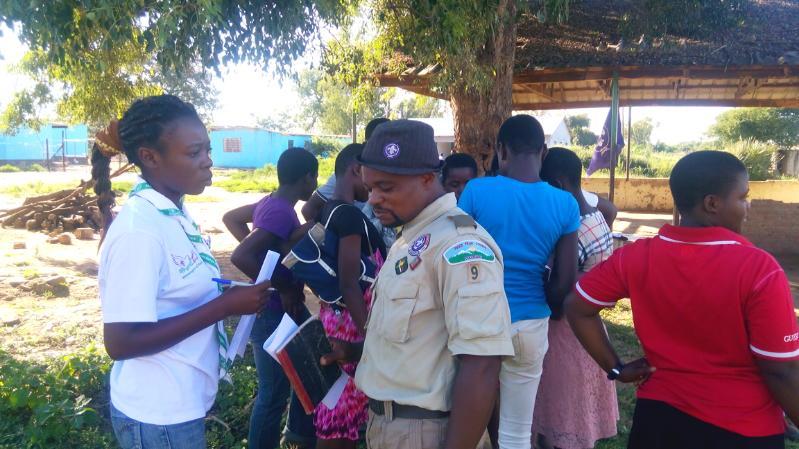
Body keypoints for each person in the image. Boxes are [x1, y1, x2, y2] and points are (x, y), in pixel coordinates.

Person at [566, 150, 799, 449]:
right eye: (743, 197)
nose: (748, 206)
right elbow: (782, 369)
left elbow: (577, 306)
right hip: (742, 429)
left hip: (657, 424)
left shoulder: (636, 257)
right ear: (712, 203)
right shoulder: (760, 269)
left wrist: (616, 368)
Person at [322, 119, 514, 449]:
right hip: (387, 425)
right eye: (370, 188)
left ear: (427, 178)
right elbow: (419, 339)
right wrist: (355, 351)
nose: (374, 200)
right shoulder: (411, 236)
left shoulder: (460, 245)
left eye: (387, 187)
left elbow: (482, 365)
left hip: (426, 433)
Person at [93, 95, 271, 449]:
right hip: (158, 414)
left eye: (207, 150)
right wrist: (225, 307)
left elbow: (175, 293)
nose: (208, 162)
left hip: (179, 401)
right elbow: (120, 342)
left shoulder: (172, 214)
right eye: (193, 153)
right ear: (150, 157)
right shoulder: (140, 231)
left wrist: (226, 294)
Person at [458, 115, 579, 449]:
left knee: (464, 425)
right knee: (516, 432)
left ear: (501, 150)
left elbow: (454, 253)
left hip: (480, 320)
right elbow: (565, 280)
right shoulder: (565, 204)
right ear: (543, 151)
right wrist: (550, 303)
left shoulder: (474, 191)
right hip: (531, 323)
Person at [229, 148, 319, 449]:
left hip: (284, 308)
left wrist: (269, 261)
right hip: (274, 310)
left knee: (307, 371)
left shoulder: (272, 202)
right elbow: (242, 255)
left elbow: (232, 218)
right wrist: (277, 284)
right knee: (273, 394)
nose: (315, 184)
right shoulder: (281, 210)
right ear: (306, 177)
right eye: (314, 177)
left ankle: (299, 436)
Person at [534, 148, 618, 449]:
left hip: (565, 337)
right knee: (572, 418)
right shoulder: (596, 217)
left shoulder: (572, 230)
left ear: (557, 185)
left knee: (560, 417)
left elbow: (559, 296)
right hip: (589, 330)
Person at [313, 143, 387, 449]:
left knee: (339, 408)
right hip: (351, 325)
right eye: (371, 177)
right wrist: (372, 337)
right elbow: (348, 282)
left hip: (338, 318)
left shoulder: (329, 210)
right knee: (340, 414)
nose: (372, 187)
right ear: (357, 169)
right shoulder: (349, 216)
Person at [301, 118, 396, 248]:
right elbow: (309, 210)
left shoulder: (395, 175)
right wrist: (335, 241)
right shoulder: (344, 177)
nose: (389, 151)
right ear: (367, 143)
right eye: (383, 145)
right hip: (363, 252)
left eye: (392, 146)